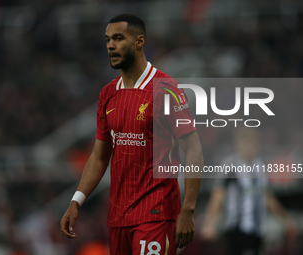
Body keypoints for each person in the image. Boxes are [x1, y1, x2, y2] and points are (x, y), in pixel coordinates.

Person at [60, 14, 203, 255]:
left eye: (118, 38)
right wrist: (76, 201)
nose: (110, 46)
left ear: (139, 42)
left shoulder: (166, 89)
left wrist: (188, 209)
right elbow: (99, 157)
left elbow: (194, 150)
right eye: (107, 40)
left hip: (156, 214)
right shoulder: (107, 94)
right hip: (118, 218)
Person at [201, 127, 297, 255]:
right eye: (245, 143)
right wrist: (209, 223)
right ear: (237, 144)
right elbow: (218, 195)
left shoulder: (260, 166)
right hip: (237, 228)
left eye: (252, 143)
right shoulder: (230, 166)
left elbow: (268, 198)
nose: (249, 147)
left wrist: (286, 219)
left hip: (258, 229)